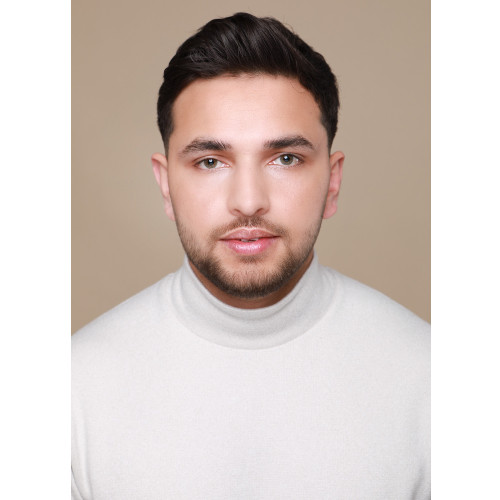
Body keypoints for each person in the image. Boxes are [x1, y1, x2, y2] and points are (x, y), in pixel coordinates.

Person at [72, 12, 430, 500]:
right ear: (166, 185)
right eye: (210, 161)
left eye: (285, 159)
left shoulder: (432, 377)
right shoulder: (72, 388)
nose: (247, 201)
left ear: (332, 181)